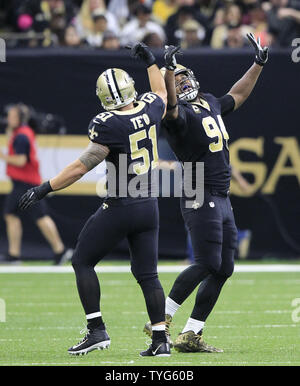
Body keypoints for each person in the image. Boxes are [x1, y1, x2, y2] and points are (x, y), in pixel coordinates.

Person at [19, 43, 170, 357]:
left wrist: (44, 188)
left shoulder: (108, 124)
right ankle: (160, 341)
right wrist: (151, 62)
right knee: (148, 274)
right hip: (149, 205)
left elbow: (80, 166)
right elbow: (162, 95)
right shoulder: (151, 108)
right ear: (131, 89)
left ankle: (96, 330)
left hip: (122, 205)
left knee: (82, 260)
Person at [144, 34, 268, 353]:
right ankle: (162, 319)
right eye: (177, 79)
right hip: (199, 189)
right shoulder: (178, 117)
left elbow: (237, 94)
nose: (183, 84)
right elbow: (170, 107)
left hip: (221, 194)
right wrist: (168, 71)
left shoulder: (210, 102)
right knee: (207, 261)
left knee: (224, 267)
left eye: (185, 77)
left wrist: (258, 64)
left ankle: (191, 334)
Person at [0, 103, 72, 265]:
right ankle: (16, 254)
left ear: (19, 118)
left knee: (36, 216)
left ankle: (59, 250)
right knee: (16, 215)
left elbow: (20, 160)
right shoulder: (22, 133)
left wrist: (2, 156)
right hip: (25, 182)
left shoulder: (22, 136)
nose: (7, 119)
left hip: (25, 183)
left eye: (11, 116)